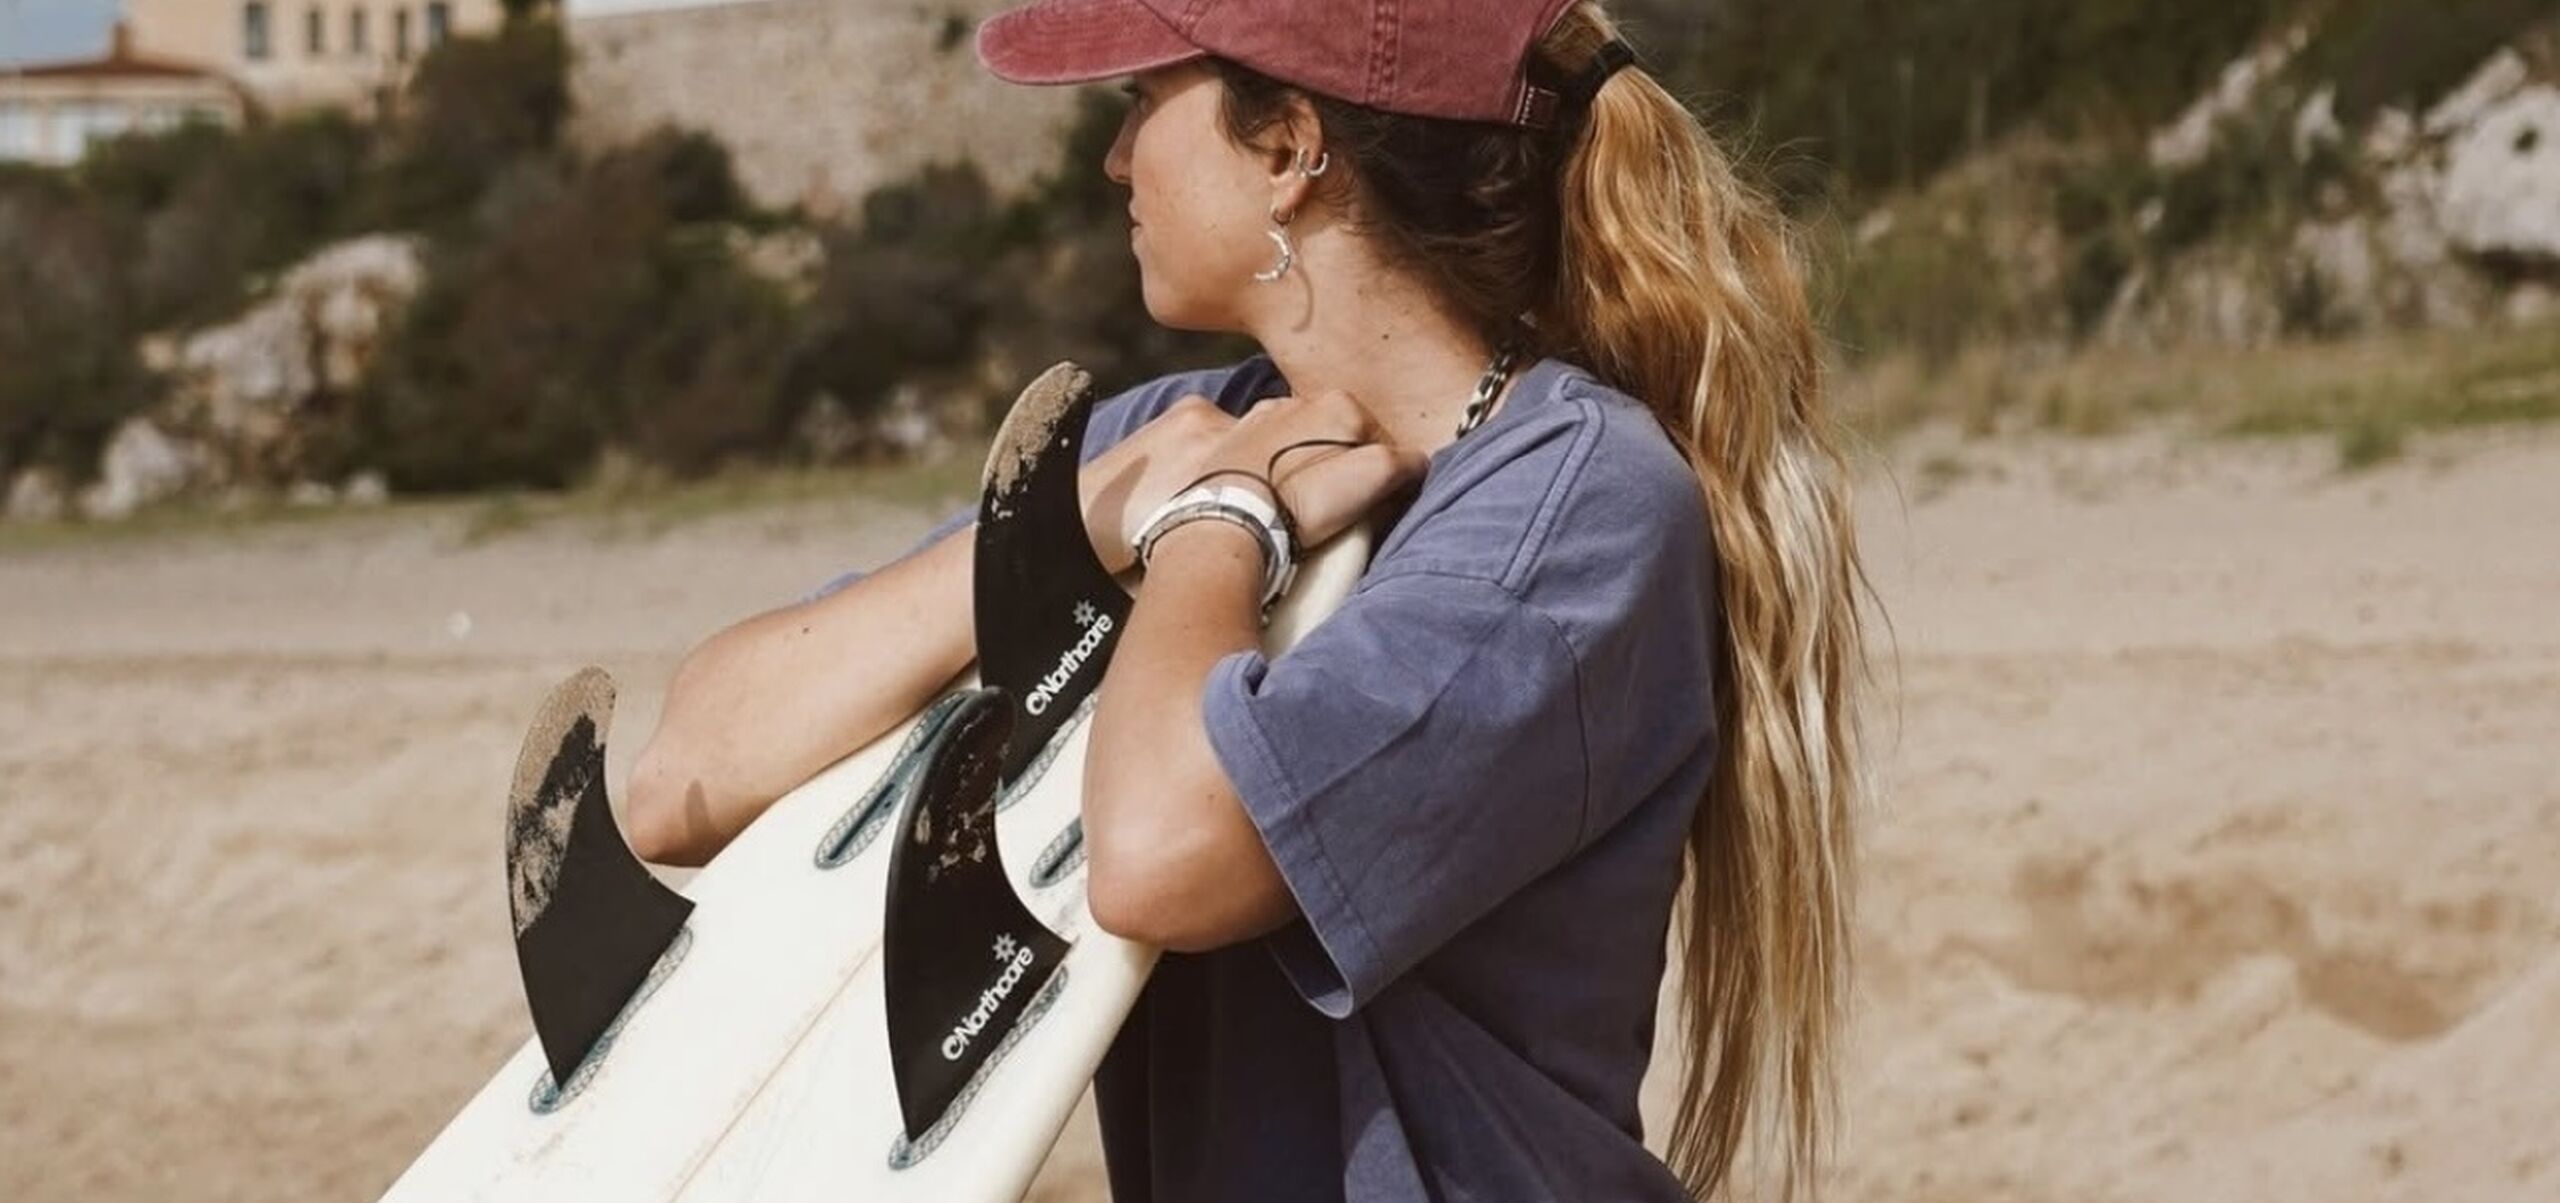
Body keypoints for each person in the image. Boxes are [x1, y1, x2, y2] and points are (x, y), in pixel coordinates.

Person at [624, 0, 1872, 1198]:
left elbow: (1166, 857)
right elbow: (685, 777)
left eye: (1139, 100)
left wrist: (1219, 528)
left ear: (1287, 151)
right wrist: (1091, 511)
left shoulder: (1576, 507)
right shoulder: (1174, 434)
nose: (1114, 158)